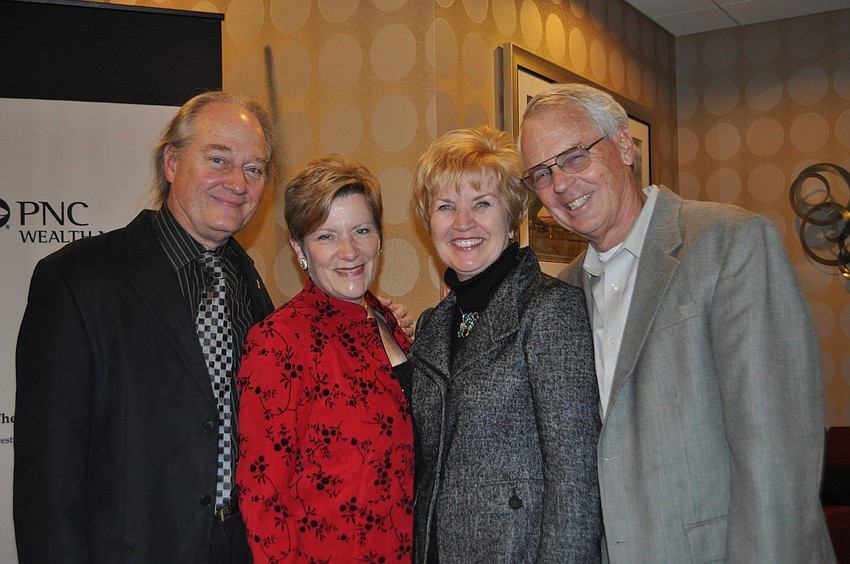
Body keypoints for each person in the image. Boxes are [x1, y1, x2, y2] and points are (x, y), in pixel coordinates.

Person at [518, 83, 836, 563]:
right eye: (542, 173)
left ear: (624, 146)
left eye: (575, 157)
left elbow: (776, 452)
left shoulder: (730, 244)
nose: (560, 184)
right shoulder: (563, 293)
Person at [14, 91, 281, 563]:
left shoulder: (252, 290)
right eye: (218, 159)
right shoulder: (77, 280)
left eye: (254, 168)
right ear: (172, 163)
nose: (238, 183)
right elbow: (46, 483)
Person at [408, 124, 602, 562]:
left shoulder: (549, 309)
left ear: (512, 216)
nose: (463, 223)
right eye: (445, 206)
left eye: (482, 203)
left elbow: (575, 479)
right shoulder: (432, 325)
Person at [236, 155, 414, 562]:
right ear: (299, 248)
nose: (349, 251)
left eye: (361, 231)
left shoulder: (386, 320)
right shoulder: (279, 341)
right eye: (326, 236)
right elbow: (262, 498)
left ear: (380, 238)